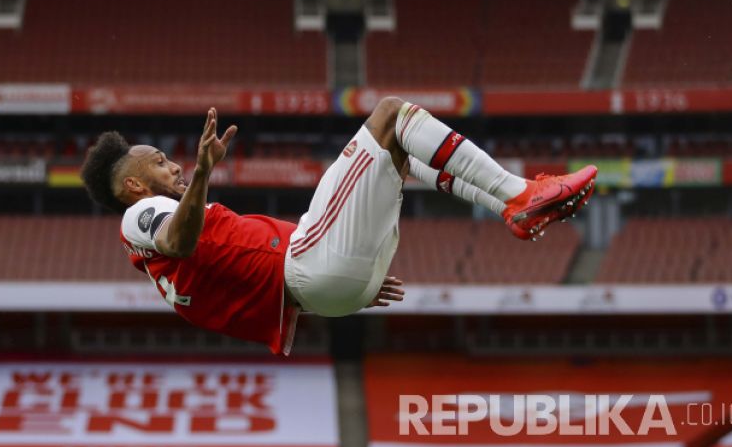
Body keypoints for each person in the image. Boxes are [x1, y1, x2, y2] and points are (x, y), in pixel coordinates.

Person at [81, 98, 597, 355]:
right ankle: (520, 194)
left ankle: (513, 206)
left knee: (395, 157)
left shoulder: (155, 247)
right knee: (392, 114)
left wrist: (339, 287)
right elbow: (180, 239)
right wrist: (203, 172)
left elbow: (230, 286)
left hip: (319, 289)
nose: (173, 166)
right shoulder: (140, 219)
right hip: (309, 266)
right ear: (133, 187)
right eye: (159, 163)